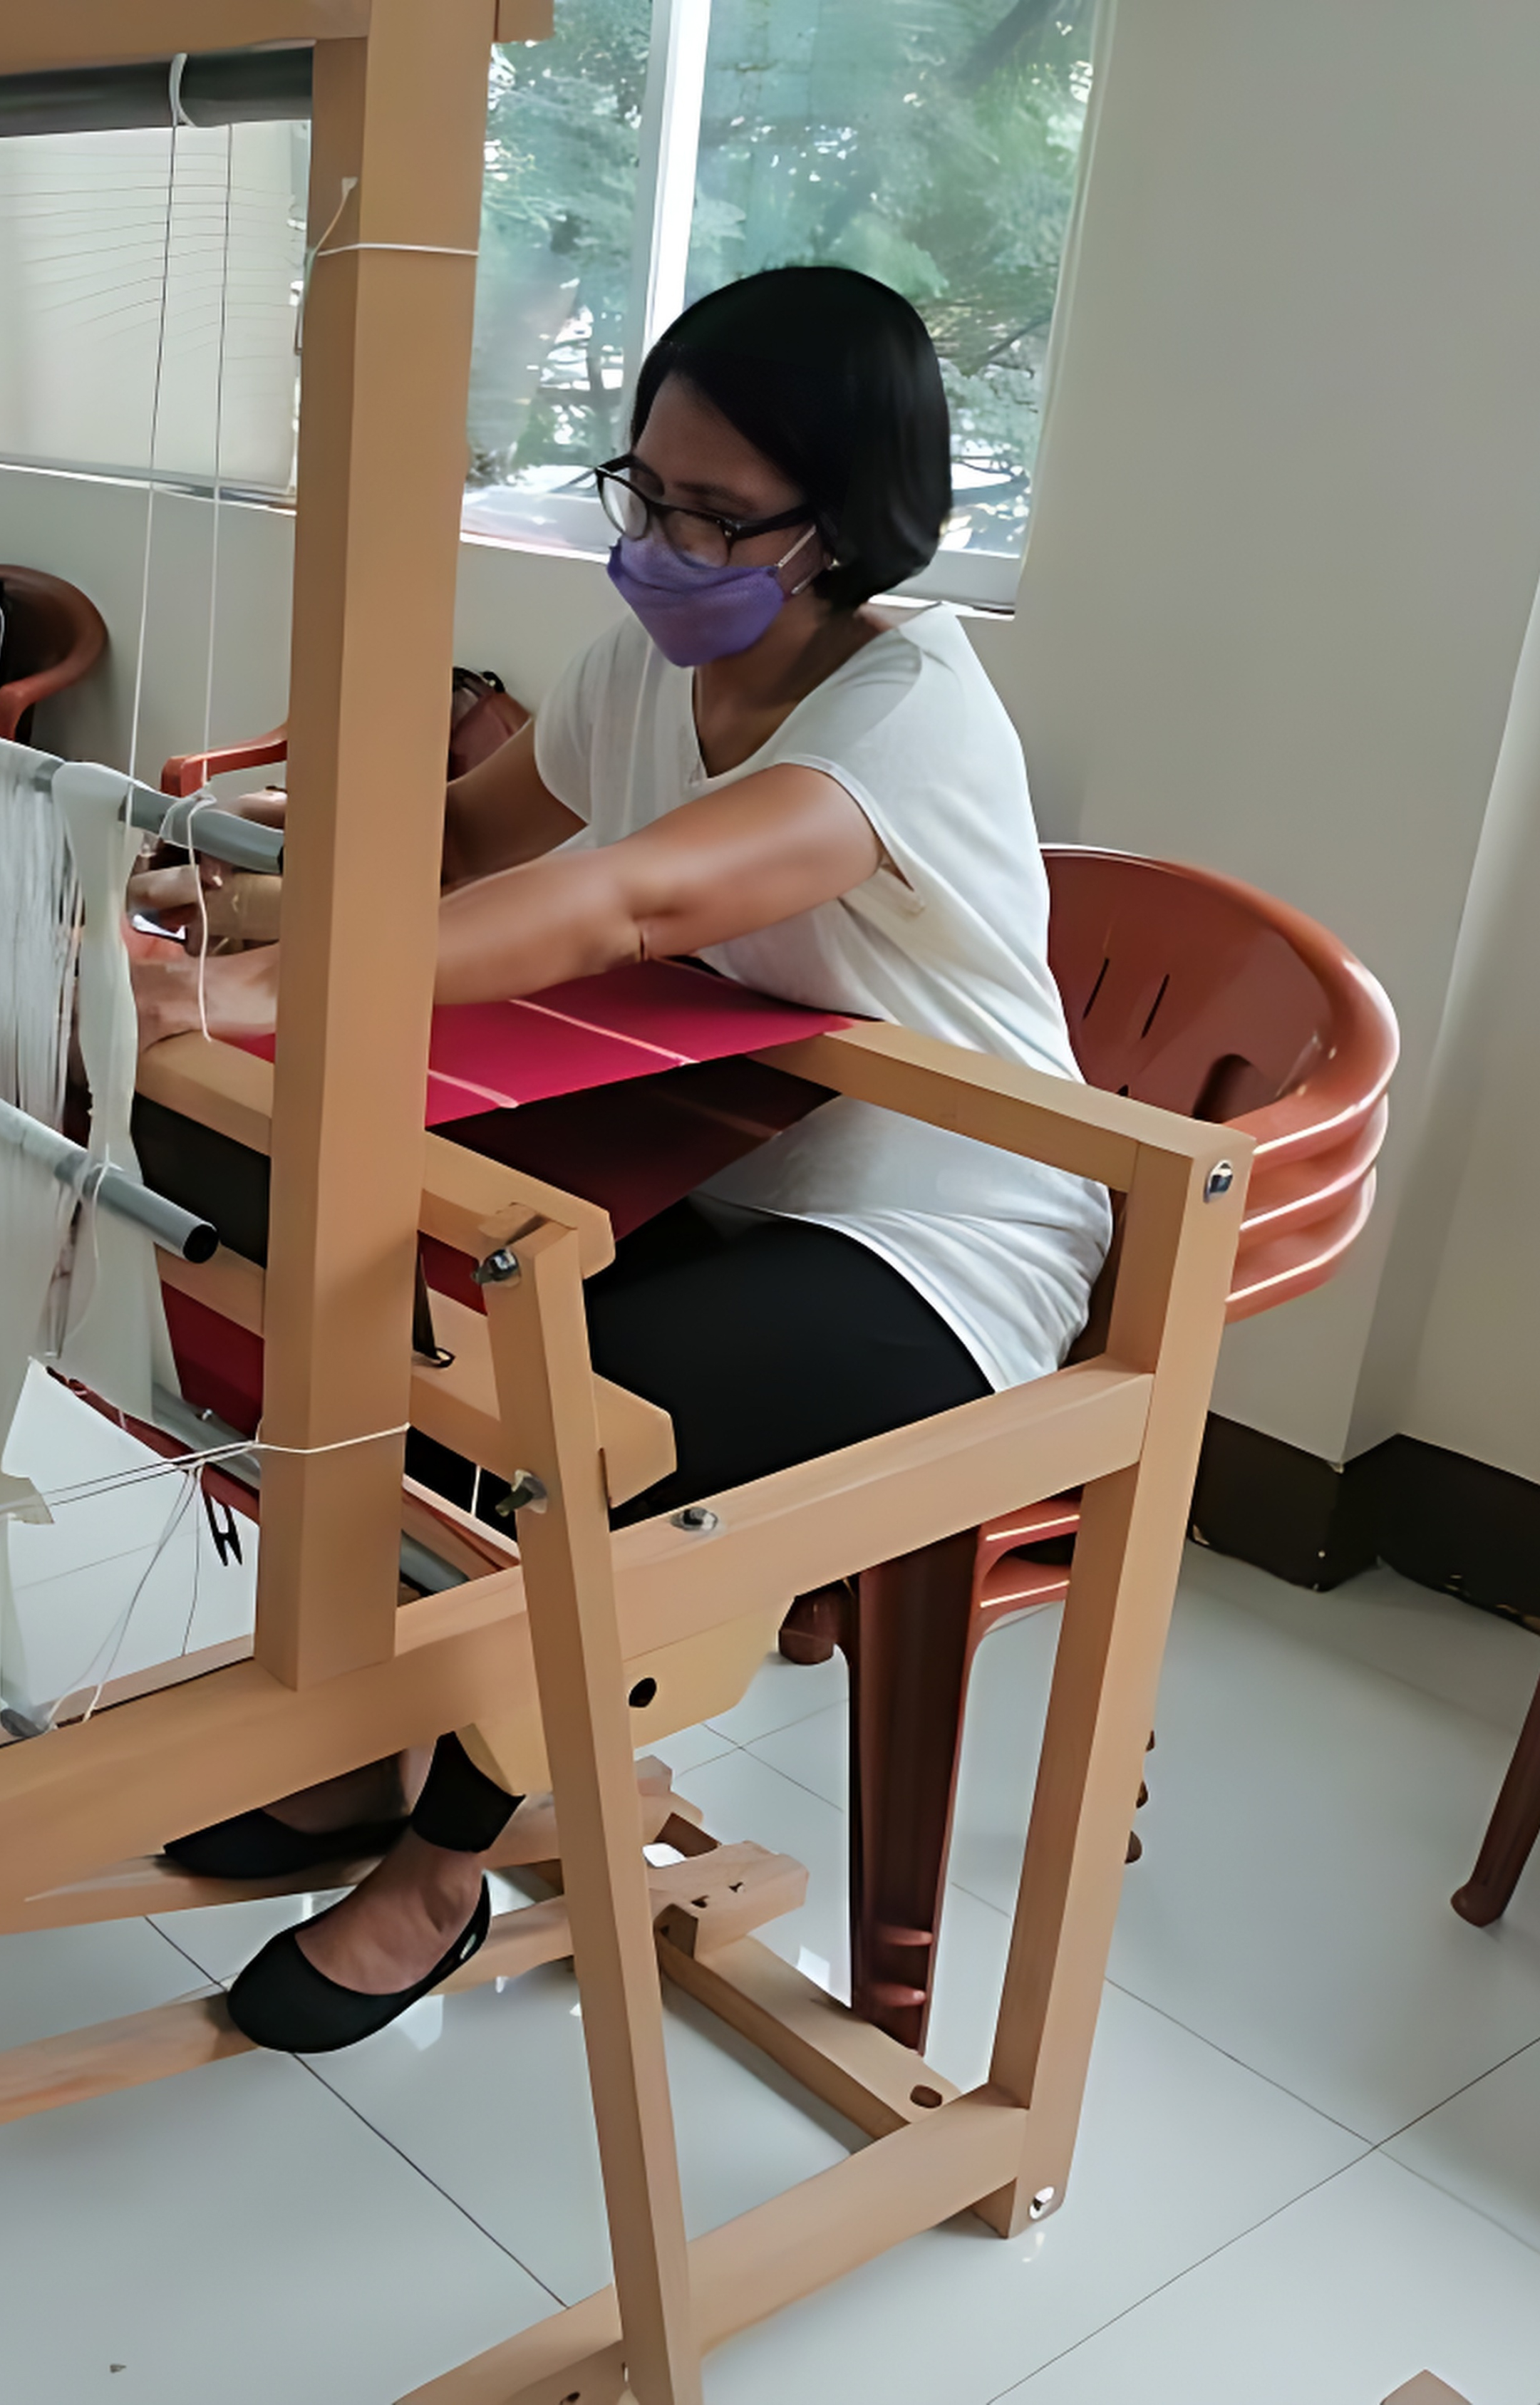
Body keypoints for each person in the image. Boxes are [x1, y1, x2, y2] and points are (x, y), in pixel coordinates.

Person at [132, 266, 1113, 2053]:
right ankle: (376, 1760)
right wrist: (195, 888)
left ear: (849, 524)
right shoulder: (640, 669)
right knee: (411, 1364)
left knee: (568, 1450)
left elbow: (623, 900)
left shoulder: (903, 714)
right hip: (720, 1169)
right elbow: (456, 846)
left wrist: (245, 991)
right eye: (641, 492)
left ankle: (442, 1862)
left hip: (946, 1236)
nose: (660, 543)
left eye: (714, 515)